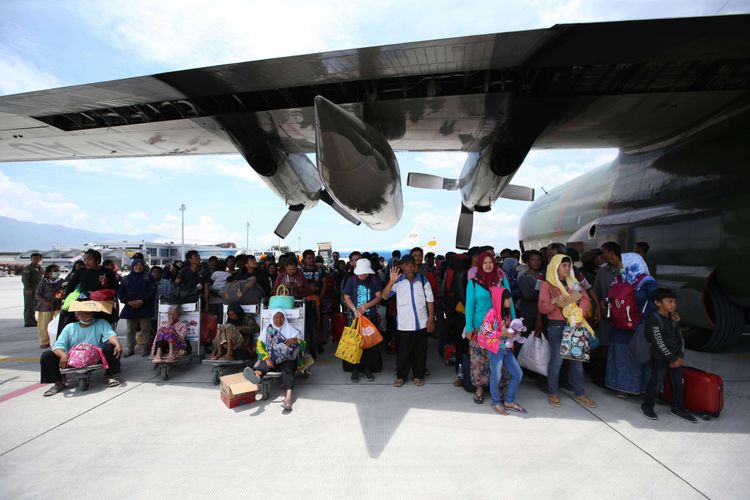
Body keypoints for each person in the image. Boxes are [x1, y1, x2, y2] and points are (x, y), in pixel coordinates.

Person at [538, 254, 597, 408]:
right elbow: (542, 308)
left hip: (575, 324)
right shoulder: (547, 285)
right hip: (556, 325)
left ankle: (580, 393)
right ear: (555, 266)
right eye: (564, 265)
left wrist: (578, 315)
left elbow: (585, 299)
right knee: (557, 361)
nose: (567, 268)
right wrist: (555, 301)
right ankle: (553, 392)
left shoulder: (574, 282)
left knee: (577, 361)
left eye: (568, 265)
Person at [605, 252, 658, 397]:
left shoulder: (619, 279)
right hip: (638, 325)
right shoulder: (647, 281)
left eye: (622, 262)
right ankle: (642, 388)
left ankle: (623, 388)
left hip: (621, 326)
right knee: (641, 355)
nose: (620, 265)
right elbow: (657, 301)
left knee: (625, 356)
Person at [641, 288, 697, 423]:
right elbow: (658, 342)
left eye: (674, 302)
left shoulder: (674, 317)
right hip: (661, 357)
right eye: (669, 301)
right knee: (656, 382)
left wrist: (680, 356)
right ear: (658, 303)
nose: (673, 304)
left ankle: (678, 408)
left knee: (678, 383)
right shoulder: (653, 319)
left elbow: (680, 338)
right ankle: (647, 405)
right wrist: (673, 358)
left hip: (676, 357)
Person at [463, 251, 510, 403]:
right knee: (479, 359)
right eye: (485, 263)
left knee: (499, 358)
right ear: (480, 265)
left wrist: (513, 322)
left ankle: (500, 387)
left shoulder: (501, 280)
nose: (488, 265)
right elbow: (469, 306)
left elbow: (510, 302)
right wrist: (469, 327)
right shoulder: (474, 282)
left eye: (491, 262)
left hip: (499, 327)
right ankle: (479, 388)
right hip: (479, 328)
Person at [40, 310, 123, 396]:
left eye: (90, 313)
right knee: (47, 355)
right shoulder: (70, 327)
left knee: (112, 347)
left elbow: (110, 335)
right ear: (77, 316)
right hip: (73, 359)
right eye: (85, 313)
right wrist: (63, 355)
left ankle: (110, 376)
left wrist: (117, 343)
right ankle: (58, 384)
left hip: (95, 357)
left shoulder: (101, 323)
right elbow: (58, 346)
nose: (89, 315)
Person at [382, 255, 435, 387]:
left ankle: (418, 375)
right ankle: (401, 376)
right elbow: (384, 296)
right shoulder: (398, 282)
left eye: (412, 264)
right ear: (402, 267)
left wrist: (431, 319)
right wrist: (391, 281)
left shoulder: (423, 281)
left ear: (416, 265)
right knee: (403, 352)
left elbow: (430, 301)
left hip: (421, 324)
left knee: (420, 351)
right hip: (404, 325)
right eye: (406, 265)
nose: (410, 267)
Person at [243, 310, 305, 412]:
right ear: (272, 319)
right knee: (265, 363)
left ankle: (288, 398)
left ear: (285, 319)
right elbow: (259, 347)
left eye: (281, 317)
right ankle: (256, 376)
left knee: (288, 370)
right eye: (276, 317)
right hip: (272, 358)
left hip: (287, 359)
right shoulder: (267, 331)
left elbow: (303, 346)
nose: (279, 320)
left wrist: (295, 340)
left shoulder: (292, 331)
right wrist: (266, 358)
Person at [484, 288, 526, 415]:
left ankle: (508, 401)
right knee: (496, 377)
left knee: (518, 374)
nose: (510, 301)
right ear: (500, 299)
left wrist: (514, 334)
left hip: (506, 349)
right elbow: (484, 331)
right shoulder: (491, 313)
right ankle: (496, 402)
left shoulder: (506, 314)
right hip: (496, 349)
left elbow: (508, 332)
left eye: (510, 298)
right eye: (507, 298)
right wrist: (503, 333)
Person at [342, 258, 383, 382]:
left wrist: (367, 305)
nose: (363, 275)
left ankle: (367, 369)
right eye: (361, 273)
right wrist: (354, 309)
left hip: (370, 317)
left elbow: (379, 297)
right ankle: (355, 369)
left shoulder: (374, 279)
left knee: (369, 345)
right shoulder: (351, 280)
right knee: (355, 344)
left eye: (365, 273)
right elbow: (346, 297)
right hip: (355, 318)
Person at [119, 258, 156, 357]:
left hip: (145, 306)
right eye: (136, 265)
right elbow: (121, 292)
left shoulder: (148, 278)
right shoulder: (126, 279)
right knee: (130, 329)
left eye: (140, 265)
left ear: (143, 266)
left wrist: (142, 300)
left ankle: (144, 348)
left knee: (145, 328)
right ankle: (130, 348)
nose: (138, 267)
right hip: (130, 307)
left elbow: (152, 291)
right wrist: (128, 302)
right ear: (132, 266)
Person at [34, 264, 63, 348]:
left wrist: (62, 296)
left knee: (60, 323)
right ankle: (44, 342)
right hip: (45, 307)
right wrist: (45, 302)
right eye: (55, 271)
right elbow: (37, 294)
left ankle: (59, 340)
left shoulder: (61, 281)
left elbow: (65, 291)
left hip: (58, 305)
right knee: (44, 325)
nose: (57, 272)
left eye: (58, 270)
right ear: (49, 273)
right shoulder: (43, 282)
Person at [517, 250, 544, 334]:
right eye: (533, 260)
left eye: (538, 260)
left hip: (544, 312)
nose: (536, 262)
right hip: (529, 313)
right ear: (527, 262)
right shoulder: (524, 277)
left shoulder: (544, 275)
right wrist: (545, 295)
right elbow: (527, 295)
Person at [22, 252, 43, 327]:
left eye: (37, 258)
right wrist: (28, 289)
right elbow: (25, 279)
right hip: (30, 289)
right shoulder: (28, 268)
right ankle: (28, 322)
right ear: (31, 259)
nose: (36, 260)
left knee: (34, 305)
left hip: (37, 289)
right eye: (34, 258)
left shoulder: (40, 268)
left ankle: (32, 320)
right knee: (29, 306)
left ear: (40, 259)